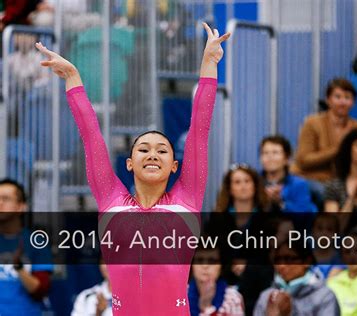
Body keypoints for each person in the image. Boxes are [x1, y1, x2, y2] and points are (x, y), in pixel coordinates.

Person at [36, 22, 230, 315]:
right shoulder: (110, 199)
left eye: (162, 150)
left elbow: (199, 130)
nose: (153, 154)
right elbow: (91, 137)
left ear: (175, 165)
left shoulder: (187, 198)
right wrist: (73, 79)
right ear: (129, 163)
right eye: (143, 149)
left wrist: (208, 66)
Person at [210, 164, 273, 316]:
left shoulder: (269, 219)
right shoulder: (216, 220)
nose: (243, 186)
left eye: (247, 181)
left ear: (255, 185)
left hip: (259, 286)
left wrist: (249, 266)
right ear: (230, 188)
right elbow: (210, 253)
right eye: (237, 182)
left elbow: (272, 257)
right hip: (222, 284)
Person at [291, 78, 357, 202]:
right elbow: (303, 160)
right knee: (328, 194)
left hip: (342, 181)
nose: (342, 102)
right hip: (309, 178)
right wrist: (338, 148)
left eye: (347, 97)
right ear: (328, 100)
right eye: (338, 97)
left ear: (353, 103)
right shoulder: (312, 123)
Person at [0, 178, 53, 315]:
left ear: (21, 207)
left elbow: (41, 291)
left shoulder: (36, 242)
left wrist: (19, 268)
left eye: (6, 199)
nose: (0, 203)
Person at [253, 239, 340, 316]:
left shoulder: (324, 296)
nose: (281, 266)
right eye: (278, 259)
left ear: (307, 261)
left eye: (289, 259)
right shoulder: (266, 296)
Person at [260, 135, 317, 213]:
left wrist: (281, 203)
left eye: (275, 152)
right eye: (265, 153)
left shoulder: (299, 184)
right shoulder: (253, 182)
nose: (270, 157)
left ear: (287, 159)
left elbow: (305, 215)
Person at [188, 245, 245, 316]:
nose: (205, 266)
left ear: (220, 266)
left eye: (211, 261)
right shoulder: (180, 294)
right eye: (199, 260)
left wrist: (207, 307)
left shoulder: (233, 298)